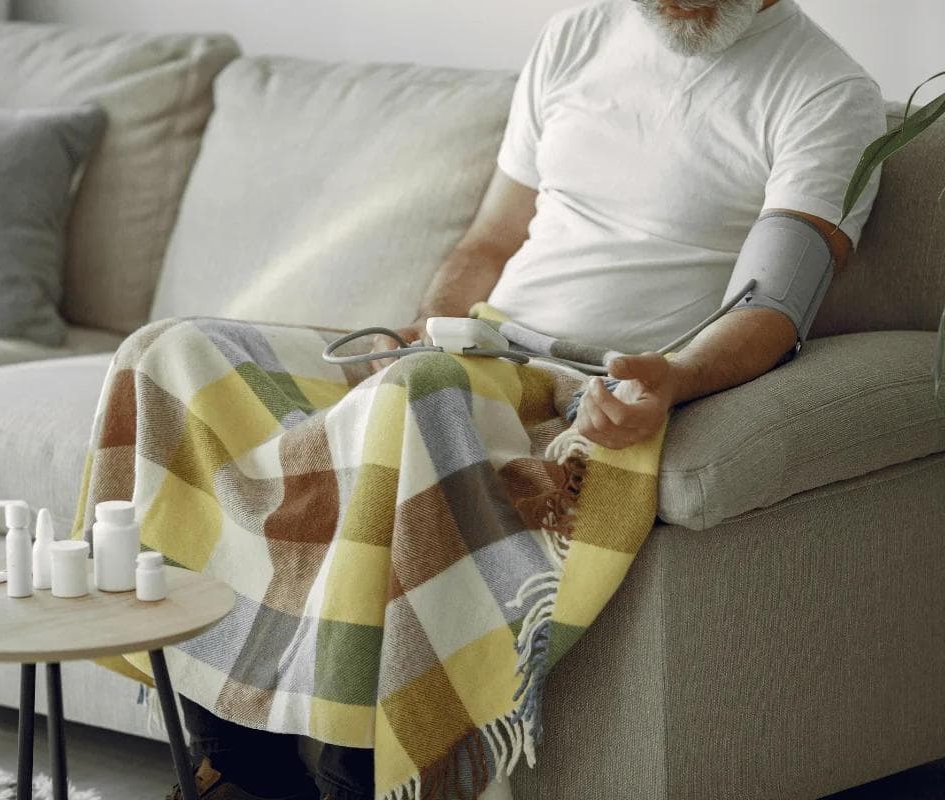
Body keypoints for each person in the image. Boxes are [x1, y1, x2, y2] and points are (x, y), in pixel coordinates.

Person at [169, 0, 885, 798]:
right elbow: (490, 241)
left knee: (413, 399)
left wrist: (672, 380)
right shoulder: (577, 34)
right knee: (178, 355)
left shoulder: (824, 90)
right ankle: (243, 769)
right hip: (470, 348)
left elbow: (773, 307)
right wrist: (420, 330)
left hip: (581, 386)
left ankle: (360, 778)